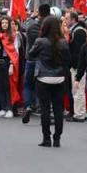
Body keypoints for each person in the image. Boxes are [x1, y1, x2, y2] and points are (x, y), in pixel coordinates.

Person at [28, 16, 71, 148]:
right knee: (58, 109)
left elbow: (30, 54)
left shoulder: (40, 41)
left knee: (45, 109)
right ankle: (57, 138)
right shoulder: (63, 42)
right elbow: (68, 60)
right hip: (59, 78)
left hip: (43, 77)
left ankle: (46, 138)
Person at [22, 4, 50, 124]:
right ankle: (42, 110)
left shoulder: (31, 26)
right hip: (44, 60)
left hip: (31, 59)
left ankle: (28, 106)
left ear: (38, 13)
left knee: (28, 85)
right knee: (43, 86)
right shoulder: (50, 27)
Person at [0, 16, 18, 118]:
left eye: (6, 23)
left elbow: (15, 52)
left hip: (8, 62)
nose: (4, 25)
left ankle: (9, 108)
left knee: (8, 86)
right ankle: (2, 108)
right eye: (2, 23)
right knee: (0, 86)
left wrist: (11, 65)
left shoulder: (13, 35)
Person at [65, 11, 87, 122]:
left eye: (67, 18)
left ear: (73, 19)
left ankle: (79, 114)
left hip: (78, 66)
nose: (65, 21)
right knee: (77, 90)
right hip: (76, 65)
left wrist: (77, 65)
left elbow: (79, 51)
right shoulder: (75, 30)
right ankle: (82, 112)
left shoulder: (78, 32)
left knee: (78, 90)